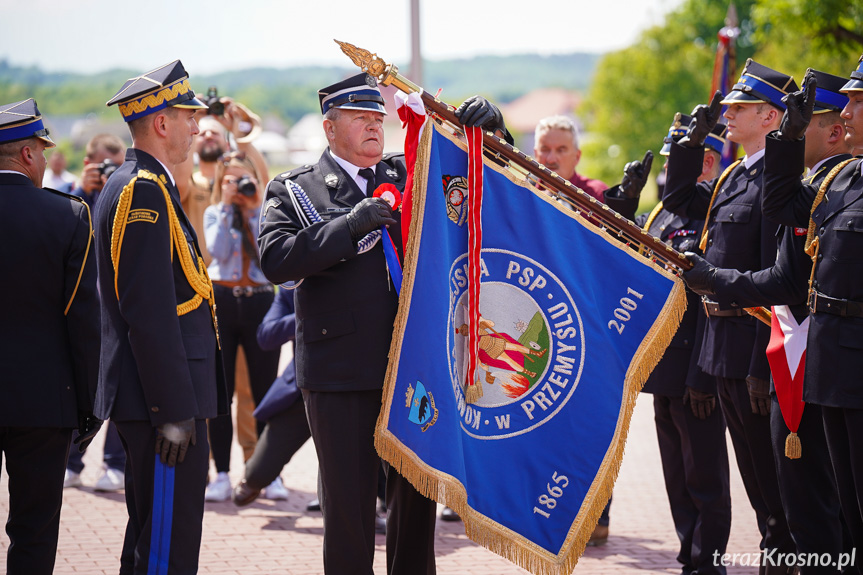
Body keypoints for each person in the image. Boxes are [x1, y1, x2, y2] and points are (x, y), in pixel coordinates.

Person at [257, 72, 508, 574]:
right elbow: (276, 258)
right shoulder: (294, 188)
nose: (375, 126)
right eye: (360, 118)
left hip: (415, 366)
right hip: (340, 372)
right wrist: (350, 226)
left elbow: (488, 182)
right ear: (330, 129)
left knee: (416, 510)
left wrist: (491, 130)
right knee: (349, 512)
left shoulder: (410, 168)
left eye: (379, 117)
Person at [685, 61, 863, 572]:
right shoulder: (841, 183)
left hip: (844, 366)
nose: (848, 112)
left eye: (857, 102)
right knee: (823, 512)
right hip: (827, 370)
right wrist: (712, 280)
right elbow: (782, 217)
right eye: (844, 101)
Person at [662, 59, 797, 570]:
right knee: (759, 489)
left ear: (770, 117)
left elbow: (777, 281)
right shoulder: (736, 176)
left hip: (758, 354)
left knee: (777, 493)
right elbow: (677, 198)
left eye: (740, 106)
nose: (728, 112)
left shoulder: (777, 183)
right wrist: (689, 146)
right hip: (722, 351)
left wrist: (765, 366)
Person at [93, 60, 227, 574]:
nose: (197, 125)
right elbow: (147, 312)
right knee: (166, 550)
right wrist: (174, 409)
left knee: (155, 538)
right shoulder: (143, 189)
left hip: (160, 400)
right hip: (164, 407)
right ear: (161, 122)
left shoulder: (146, 183)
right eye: (187, 115)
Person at [607, 114, 733, 573]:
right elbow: (626, 254)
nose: (667, 170)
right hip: (664, 365)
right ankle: (689, 554)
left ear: (706, 160)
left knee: (706, 475)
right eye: (666, 161)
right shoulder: (664, 213)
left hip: (696, 364)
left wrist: (703, 372)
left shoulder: (712, 209)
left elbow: (709, 299)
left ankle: (709, 561)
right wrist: (624, 200)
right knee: (677, 474)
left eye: (676, 160)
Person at [0, 98, 101, 574]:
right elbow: (83, 321)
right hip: (44, 401)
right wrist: (88, 405)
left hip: (41, 400)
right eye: (41, 151)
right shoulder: (68, 215)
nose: (43, 160)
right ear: (26, 155)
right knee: (34, 530)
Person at [202, 151, 282, 502]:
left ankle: (268, 472)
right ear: (220, 184)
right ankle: (221, 472)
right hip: (221, 299)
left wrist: (252, 208)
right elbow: (217, 253)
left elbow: (268, 254)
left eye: (243, 179)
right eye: (230, 181)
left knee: (266, 392)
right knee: (221, 391)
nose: (239, 186)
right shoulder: (212, 212)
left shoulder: (267, 211)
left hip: (261, 300)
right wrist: (225, 206)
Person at [64, 132, 129, 492]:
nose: (109, 173)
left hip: (117, 307)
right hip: (86, 308)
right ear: (89, 164)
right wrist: (83, 189)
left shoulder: (128, 192)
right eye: (102, 166)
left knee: (120, 389)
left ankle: (114, 465)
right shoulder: (75, 199)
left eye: (115, 166)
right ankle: (72, 463)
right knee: (83, 387)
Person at [231, 283, 312, 505]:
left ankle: (378, 504)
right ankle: (252, 480)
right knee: (256, 476)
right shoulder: (293, 288)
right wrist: (307, 311)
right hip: (303, 388)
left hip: (348, 387)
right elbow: (265, 336)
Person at [534, 115, 608, 202]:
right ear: (536, 154)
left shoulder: (596, 195)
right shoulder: (524, 192)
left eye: (561, 150)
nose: (551, 159)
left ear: (577, 157)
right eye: (545, 150)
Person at [70, 133, 125, 209]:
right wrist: (82, 192)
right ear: (87, 164)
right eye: (107, 165)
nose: (114, 172)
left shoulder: (130, 192)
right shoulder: (66, 193)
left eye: (119, 166)